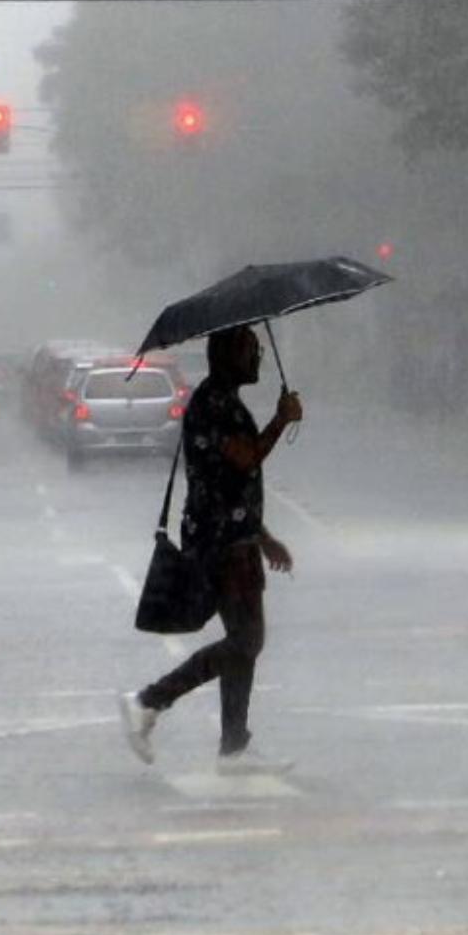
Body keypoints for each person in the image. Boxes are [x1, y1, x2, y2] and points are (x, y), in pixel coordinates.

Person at [119, 324, 303, 775]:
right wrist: (282, 419)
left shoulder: (222, 400)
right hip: (220, 544)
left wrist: (262, 536)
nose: (257, 359)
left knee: (246, 640)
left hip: (234, 538)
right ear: (226, 356)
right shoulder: (212, 405)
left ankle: (234, 747)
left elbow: (231, 484)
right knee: (247, 640)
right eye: (249, 351)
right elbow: (245, 458)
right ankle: (149, 701)